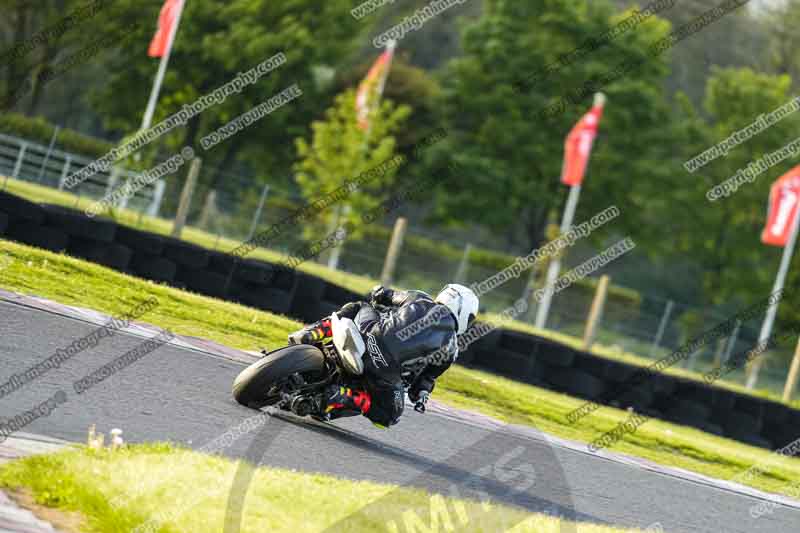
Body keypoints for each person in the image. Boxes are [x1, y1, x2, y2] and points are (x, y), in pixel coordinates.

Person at [287, 283, 479, 428]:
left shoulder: (419, 298)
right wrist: (421, 395)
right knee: (389, 417)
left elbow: (384, 294)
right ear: (464, 314)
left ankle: (313, 332)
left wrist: (378, 294)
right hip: (386, 371)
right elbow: (425, 381)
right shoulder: (451, 347)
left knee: (358, 307)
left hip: (369, 337)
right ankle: (342, 396)